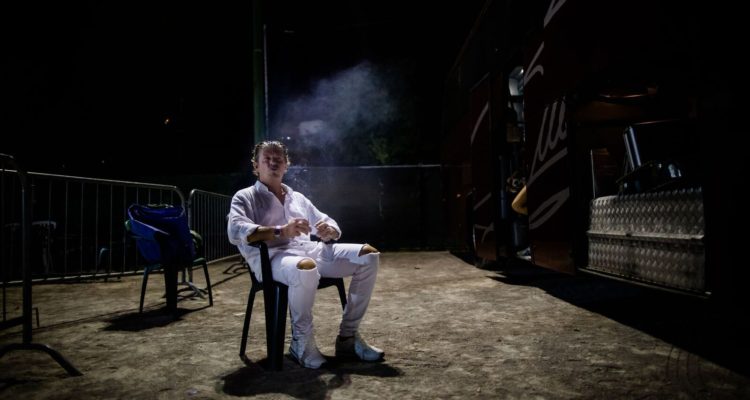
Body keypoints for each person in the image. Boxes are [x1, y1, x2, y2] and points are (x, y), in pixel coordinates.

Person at [227, 140, 384, 369]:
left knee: (368, 256)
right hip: (272, 258)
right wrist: (281, 231)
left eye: (278, 159)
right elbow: (236, 231)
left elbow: (326, 220)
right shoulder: (245, 197)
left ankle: (347, 338)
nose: (273, 163)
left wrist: (330, 230)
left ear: (286, 165)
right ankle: (301, 343)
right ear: (256, 165)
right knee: (306, 266)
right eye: (267, 159)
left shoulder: (297, 197)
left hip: (308, 251)